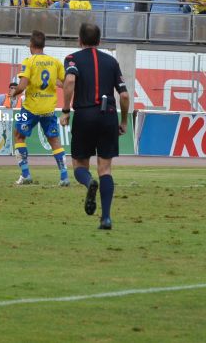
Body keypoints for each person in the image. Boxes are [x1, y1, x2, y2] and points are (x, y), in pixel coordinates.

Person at [60, 23, 129, 230]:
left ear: (79, 41)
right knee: (105, 168)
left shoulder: (73, 59)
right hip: (108, 116)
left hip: (85, 114)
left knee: (80, 166)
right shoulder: (112, 61)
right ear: (100, 41)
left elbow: (70, 81)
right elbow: (124, 96)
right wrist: (124, 121)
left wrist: (65, 110)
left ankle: (89, 182)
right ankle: (106, 218)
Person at [10, 31, 67, 186]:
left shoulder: (29, 61)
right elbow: (64, 83)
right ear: (43, 45)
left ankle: (26, 174)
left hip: (30, 108)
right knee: (54, 141)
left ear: (31, 45)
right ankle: (64, 177)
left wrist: (13, 93)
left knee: (19, 136)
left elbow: (21, 86)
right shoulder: (54, 62)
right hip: (49, 108)